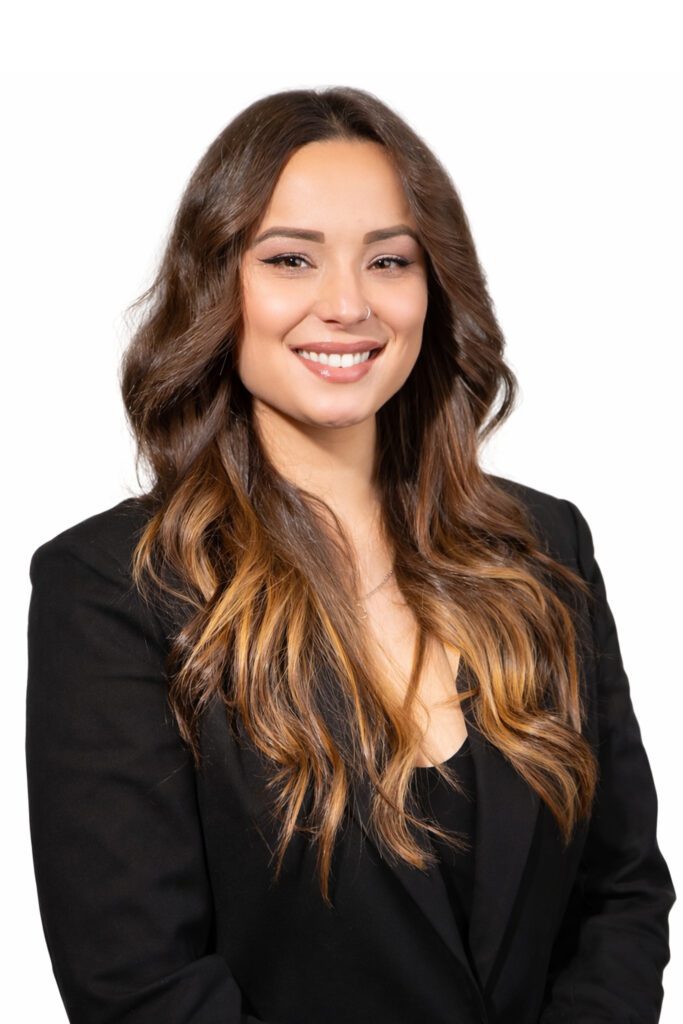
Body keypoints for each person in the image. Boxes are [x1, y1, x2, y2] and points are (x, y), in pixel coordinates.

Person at [25, 85, 675, 1024]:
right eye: (289, 258)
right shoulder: (113, 590)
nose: (346, 304)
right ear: (217, 287)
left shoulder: (544, 547)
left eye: (388, 260)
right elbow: (142, 988)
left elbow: (620, 894)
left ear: (432, 287)